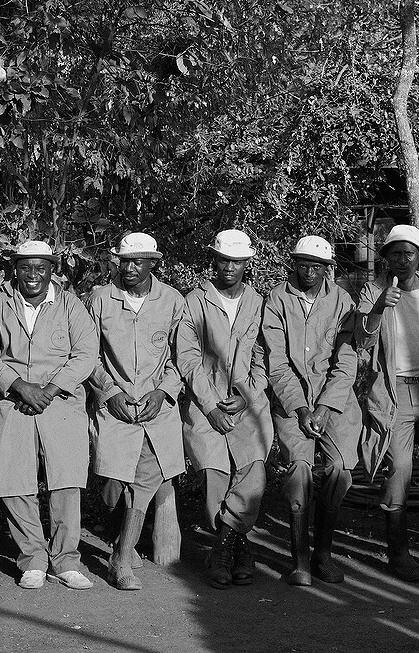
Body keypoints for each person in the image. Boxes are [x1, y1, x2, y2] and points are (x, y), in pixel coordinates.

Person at [0, 240, 99, 590]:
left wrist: (49, 390)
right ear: (15, 268)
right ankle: (32, 558)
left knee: (66, 478)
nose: (33, 275)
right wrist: (17, 385)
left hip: (59, 399)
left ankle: (65, 560)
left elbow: (86, 353)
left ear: (51, 269)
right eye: (26, 267)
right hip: (10, 398)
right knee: (11, 476)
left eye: (40, 267)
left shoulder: (70, 305)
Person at [356, 224, 419, 583]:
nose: (402, 259)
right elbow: (363, 342)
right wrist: (378, 309)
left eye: (409, 253)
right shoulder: (373, 290)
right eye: (395, 253)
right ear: (386, 257)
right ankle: (398, 555)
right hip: (393, 388)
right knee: (399, 468)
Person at [88, 232, 188, 591]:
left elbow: (183, 357)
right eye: (124, 261)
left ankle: (120, 558)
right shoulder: (100, 300)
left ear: (153, 264)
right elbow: (88, 355)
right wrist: (109, 390)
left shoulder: (173, 301)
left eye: (137, 261)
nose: (129, 268)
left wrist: (164, 392)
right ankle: (121, 543)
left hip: (155, 409)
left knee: (145, 477)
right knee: (114, 483)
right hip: (115, 408)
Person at [261, 235, 362, 587]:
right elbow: (276, 362)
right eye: (302, 264)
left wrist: (324, 406)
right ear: (294, 264)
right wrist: (301, 407)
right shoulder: (277, 298)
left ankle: (323, 553)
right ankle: (300, 558)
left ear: (327, 268)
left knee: (339, 467)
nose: (308, 272)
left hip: (335, 400)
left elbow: (347, 361)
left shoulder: (342, 301)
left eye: (316, 266)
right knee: (299, 469)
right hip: (293, 402)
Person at [176, 229, 270, 590]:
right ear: (213, 260)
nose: (229, 267)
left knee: (254, 471)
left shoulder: (258, 303)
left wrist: (249, 394)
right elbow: (187, 358)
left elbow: (264, 357)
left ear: (248, 264)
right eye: (223, 259)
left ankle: (222, 550)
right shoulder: (195, 301)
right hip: (206, 401)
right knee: (215, 471)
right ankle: (238, 550)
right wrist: (210, 404)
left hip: (248, 403)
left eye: (237, 261)